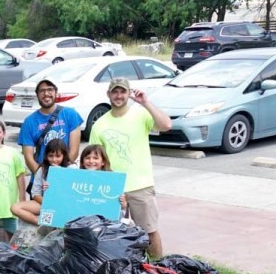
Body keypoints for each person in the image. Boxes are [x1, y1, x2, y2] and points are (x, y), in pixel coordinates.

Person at [89, 77, 172, 258]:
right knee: (112, 236)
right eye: (115, 92)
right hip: (112, 189)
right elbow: (95, 159)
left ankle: (159, 269)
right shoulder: (100, 124)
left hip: (140, 185)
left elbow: (166, 125)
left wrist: (145, 102)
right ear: (108, 94)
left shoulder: (140, 114)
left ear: (128, 93)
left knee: (149, 232)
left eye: (122, 92)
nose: (118, 96)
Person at [18, 77, 82, 179]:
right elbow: (28, 158)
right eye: (42, 90)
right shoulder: (29, 122)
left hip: (65, 176)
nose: (46, 93)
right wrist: (43, 178)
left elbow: (74, 151)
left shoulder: (70, 114)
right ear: (37, 95)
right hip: (41, 178)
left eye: (50, 89)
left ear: (56, 92)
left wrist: (60, 176)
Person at [12, 138, 73, 225]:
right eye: (51, 156)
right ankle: (41, 223)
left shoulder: (71, 168)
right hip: (46, 203)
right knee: (15, 208)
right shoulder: (42, 169)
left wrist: (60, 174)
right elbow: (35, 193)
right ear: (46, 156)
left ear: (64, 155)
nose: (54, 160)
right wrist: (47, 202)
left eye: (58, 156)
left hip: (65, 205)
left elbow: (74, 193)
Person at [80, 143, 128, 214]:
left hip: (103, 221)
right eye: (87, 158)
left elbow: (121, 209)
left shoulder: (113, 180)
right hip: (80, 219)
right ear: (82, 162)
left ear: (103, 162)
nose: (91, 161)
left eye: (95, 158)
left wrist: (123, 204)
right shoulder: (77, 179)